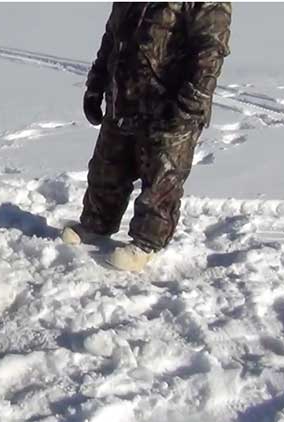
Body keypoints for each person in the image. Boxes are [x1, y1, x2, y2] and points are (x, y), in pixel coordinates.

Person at [62, 2, 231, 272]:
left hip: (170, 108)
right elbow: (112, 38)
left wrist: (191, 102)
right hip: (124, 100)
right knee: (108, 167)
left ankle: (147, 243)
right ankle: (96, 224)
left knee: (162, 177)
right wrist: (96, 84)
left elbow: (210, 51)